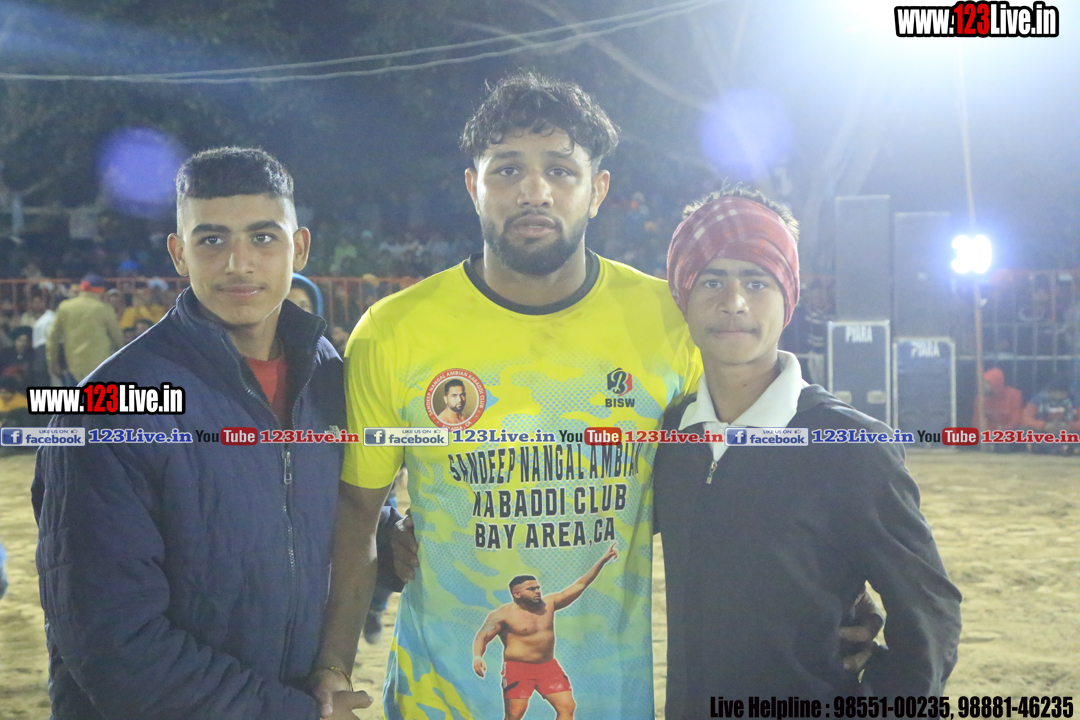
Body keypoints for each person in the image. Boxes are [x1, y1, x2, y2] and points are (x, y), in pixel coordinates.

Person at [316, 74, 883, 720]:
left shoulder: (669, 323)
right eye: (507, 170)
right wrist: (334, 663)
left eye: (561, 170)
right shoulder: (395, 331)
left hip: (610, 701)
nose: (534, 191)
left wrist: (834, 581)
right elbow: (357, 515)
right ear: (473, 187)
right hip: (439, 703)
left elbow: (744, 463)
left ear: (598, 191)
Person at [34, 147, 380, 720]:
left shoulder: (322, 369)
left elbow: (320, 515)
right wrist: (291, 713)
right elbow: (116, 647)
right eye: (212, 240)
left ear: (300, 248)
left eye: (263, 238)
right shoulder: (105, 407)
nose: (238, 264)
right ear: (179, 253)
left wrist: (393, 539)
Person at [652, 188, 962, 710]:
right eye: (711, 280)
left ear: (788, 298)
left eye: (757, 281)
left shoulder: (850, 446)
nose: (734, 302)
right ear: (683, 295)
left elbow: (930, 614)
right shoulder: (670, 438)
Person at [473, 543, 618, 720]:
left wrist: (603, 560)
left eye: (538, 587)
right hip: (517, 669)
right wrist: (477, 656)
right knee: (515, 714)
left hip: (547, 667)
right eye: (531, 589)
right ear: (516, 594)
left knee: (567, 707)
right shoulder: (502, 615)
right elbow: (482, 636)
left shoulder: (549, 604)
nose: (537, 591)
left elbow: (580, 584)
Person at [45, 274, 123, 384]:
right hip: (99, 367)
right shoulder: (104, 309)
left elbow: (53, 338)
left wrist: (52, 362)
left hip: (74, 366)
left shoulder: (65, 307)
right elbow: (117, 338)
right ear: (101, 290)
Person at [1020, 373, 1080, 453]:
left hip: (1067, 433)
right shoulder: (1037, 400)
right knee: (1023, 430)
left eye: (1062, 392)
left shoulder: (1075, 401)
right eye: (1055, 392)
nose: (1058, 395)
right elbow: (1025, 418)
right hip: (1044, 432)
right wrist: (1044, 426)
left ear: (1067, 392)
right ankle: (1059, 448)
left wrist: (1069, 426)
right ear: (1049, 391)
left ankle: (1047, 448)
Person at [974, 367, 1023, 436]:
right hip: (988, 434)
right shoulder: (980, 398)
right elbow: (977, 422)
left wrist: (1000, 431)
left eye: (987, 383)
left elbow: (1015, 421)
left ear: (996, 384)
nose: (983, 386)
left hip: (1008, 435)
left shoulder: (1013, 395)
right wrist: (989, 432)